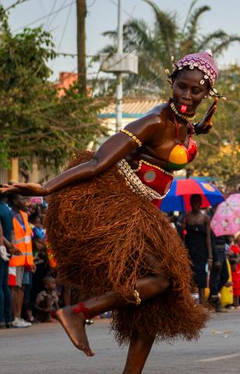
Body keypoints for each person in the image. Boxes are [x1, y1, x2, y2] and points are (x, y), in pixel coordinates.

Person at [1, 51, 219, 373]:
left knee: (152, 308)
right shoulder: (154, 121)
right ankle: (79, 312)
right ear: (171, 83)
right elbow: (99, 161)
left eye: (195, 91)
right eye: (181, 87)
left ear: (207, 94)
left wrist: (199, 127)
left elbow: (177, 142)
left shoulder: (183, 124)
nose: (186, 96)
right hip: (121, 208)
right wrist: (47, 188)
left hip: (148, 210)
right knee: (163, 279)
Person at [8, 193, 34, 328]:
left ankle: (19, 317)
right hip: (14, 259)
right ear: (13, 200)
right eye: (21, 198)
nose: (24, 201)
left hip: (25, 259)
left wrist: (31, 261)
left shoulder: (24, 215)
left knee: (22, 287)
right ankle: (15, 317)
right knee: (15, 288)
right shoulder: (9, 215)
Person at [183, 194, 212, 307]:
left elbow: (208, 238)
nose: (195, 204)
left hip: (201, 250)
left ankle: (203, 302)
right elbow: (183, 236)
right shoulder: (186, 217)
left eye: (197, 202)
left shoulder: (205, 218)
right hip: (189, 249)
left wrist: (210, 257)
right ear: (190, 203)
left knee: (201, 276)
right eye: (193, 202)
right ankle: (190, 303)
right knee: (190, 275)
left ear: (200, 203)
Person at [0, 192, 13, 328]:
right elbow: (12, 232)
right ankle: (8, 319)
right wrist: (11, 247)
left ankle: (1, 318)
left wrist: (4, 246)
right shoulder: (8, 211)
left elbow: (0, 232)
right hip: (6, 251)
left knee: (0, 286)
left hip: (2, 249)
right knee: (5, 286)